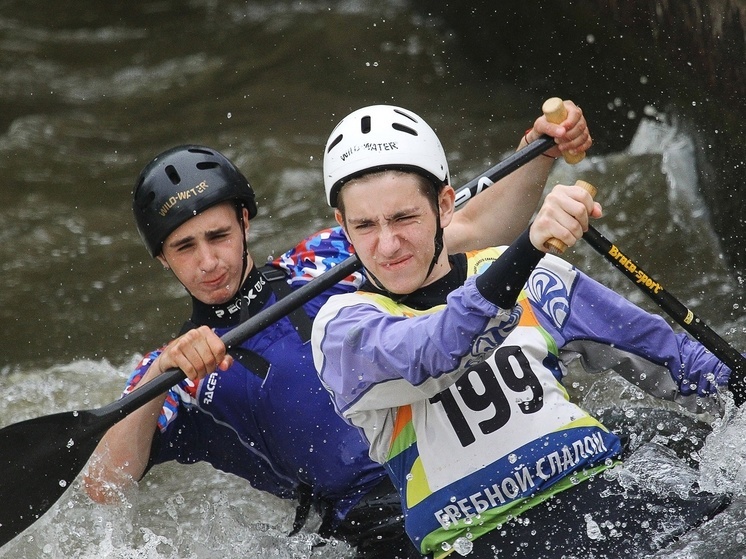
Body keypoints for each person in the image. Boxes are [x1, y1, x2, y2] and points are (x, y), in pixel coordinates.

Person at [82, 102, 591, 558]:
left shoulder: (324, 257)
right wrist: (160, 378)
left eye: (218, 235)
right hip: (371, 518)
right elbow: (103, 485)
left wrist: (539, 154)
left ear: (244, 222)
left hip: (457, 457)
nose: (209, 261)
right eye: (184, 247)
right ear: (162, 259)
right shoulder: (179, 371)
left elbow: (476, 230)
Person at [311, 104, 733, 558]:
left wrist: (734, 382)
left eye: (403, 218)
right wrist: (527, 245)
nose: (388, 245)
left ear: (445, 205)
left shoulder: (536, 276)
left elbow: (680, 364)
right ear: (343, 227)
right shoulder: (342, 330)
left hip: (609, 497)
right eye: (365, 226)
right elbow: (435, 352)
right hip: (483, 541)